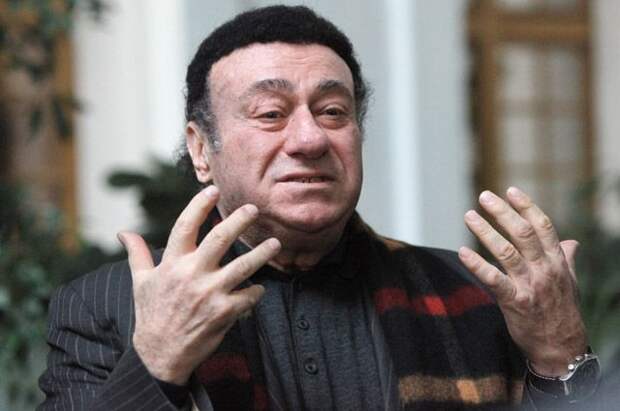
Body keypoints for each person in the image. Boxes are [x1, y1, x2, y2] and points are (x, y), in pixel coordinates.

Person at [38, 5, 601, 411]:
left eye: (333, 111)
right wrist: (156, 360)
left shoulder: (473, 295)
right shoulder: (107, 307)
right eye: (270, 113)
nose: (309, 139)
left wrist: (559, 357)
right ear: (202, 149)